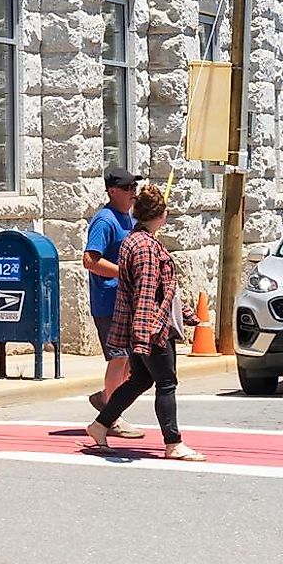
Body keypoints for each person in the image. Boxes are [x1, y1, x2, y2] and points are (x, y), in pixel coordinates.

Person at [85, 184, 207, 462]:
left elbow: (164, 290)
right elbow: (146, 293)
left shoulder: (134, 239)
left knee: (140, 379)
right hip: (151, 327)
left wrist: (188, 315)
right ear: (161, 215)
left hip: (140, 325)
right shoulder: (146, 247)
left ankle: (100, 424)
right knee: (166, 382)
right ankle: (173, 443)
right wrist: (147, 333)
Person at [83, 168, 144, 438]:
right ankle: (112, 416)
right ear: (112, 191)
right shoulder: (105, 221)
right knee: (119, 359)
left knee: (132, 359)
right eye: (129, 188)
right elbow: (90, 260)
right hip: (109, 301)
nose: (134, 192)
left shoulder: (128, 219)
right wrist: (124, 271)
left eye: (135, 187)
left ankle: (106, 397)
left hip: (127, 302)